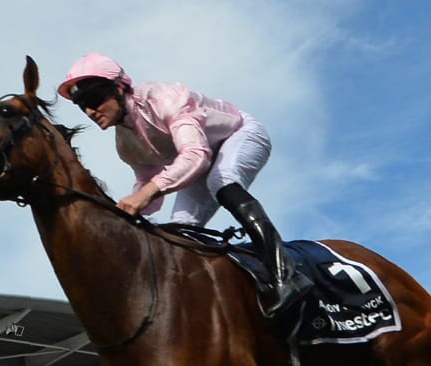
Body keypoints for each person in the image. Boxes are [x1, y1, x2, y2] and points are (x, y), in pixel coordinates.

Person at [57, 53, 312, 316]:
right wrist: (124, 212)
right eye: (81, 105)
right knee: (181, 233)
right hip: (201, 161)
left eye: (94, 99)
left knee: (220, 181)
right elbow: (148, 187)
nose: (90, 111)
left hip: (239, 135)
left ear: (120, 88)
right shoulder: (125, 144)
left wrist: (144, 194)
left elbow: (195, 154)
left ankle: (287, 274)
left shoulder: (163, 100)